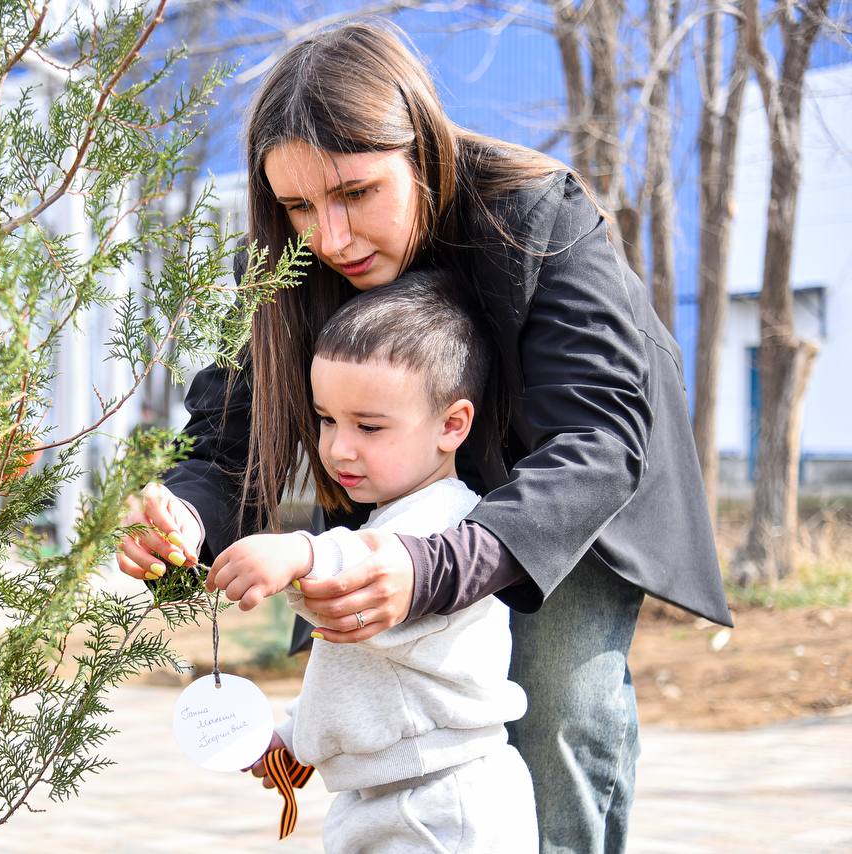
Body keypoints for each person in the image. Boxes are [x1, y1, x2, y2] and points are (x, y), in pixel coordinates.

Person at [115, 21, 732, 854]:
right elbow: (230, 439)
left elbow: (596, 440)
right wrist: (184, 521)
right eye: (298, 206)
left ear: (422, 149)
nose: (328, 239)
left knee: (555, 709)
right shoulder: (282, 264)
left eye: (356, 193)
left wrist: (427, 564)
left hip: (562, 489)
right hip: (402, 483)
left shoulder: (540, 213)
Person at [206, 274, 536, 852]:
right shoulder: (389, 520)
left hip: (443, 806)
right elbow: (363, 673)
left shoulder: (447, 525)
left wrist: (299, 551)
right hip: (387, 796)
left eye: (369, 426)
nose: (338, 448)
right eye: (327, 419)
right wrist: (293, 736)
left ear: (452, 425)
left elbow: (353, 564)